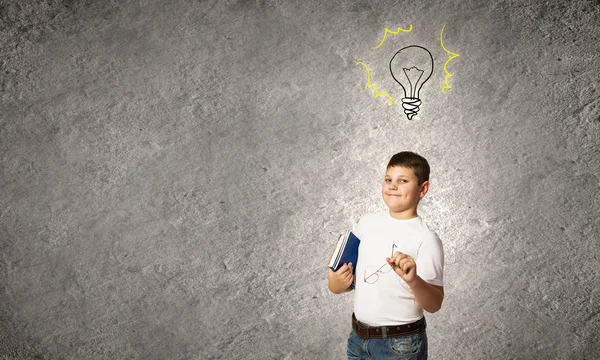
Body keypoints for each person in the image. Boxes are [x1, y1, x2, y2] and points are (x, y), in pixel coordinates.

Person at [327, 151, 444, 360]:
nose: (393, 186)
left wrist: (413, 279)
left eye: (403, 180)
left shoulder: (426, 238)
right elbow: (339, 286)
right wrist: (335, 281)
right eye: (388, 179)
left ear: (423, 189)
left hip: (400, 344)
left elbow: (434, 304)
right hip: (358, 338)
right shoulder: (366, 224)